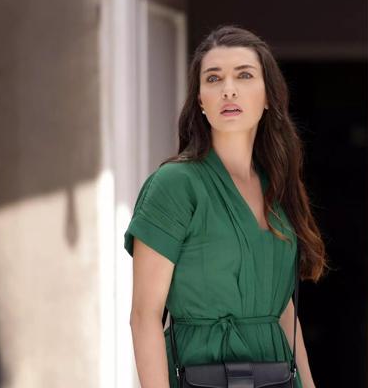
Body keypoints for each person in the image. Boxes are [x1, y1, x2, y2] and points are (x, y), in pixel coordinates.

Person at [125, 25, 325, 388]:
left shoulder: (277, 185)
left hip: (277, 374)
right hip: (198, 372)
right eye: (213, 78)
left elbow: (281, 310)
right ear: (201, 100)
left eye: (244, 75)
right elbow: (144, 316)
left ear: (268, 96)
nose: (228, 89)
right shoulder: (175, 184)